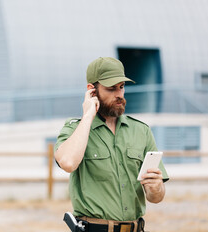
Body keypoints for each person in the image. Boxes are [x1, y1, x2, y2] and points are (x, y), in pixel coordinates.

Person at [54, 57, 169, 232]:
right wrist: (87, 116)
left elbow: (156, 198)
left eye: (121, 87)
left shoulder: (141, 131)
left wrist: (156, 188)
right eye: (111, 88)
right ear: (91, 90)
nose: (119, 95)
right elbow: (68, 163)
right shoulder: (76, 129)